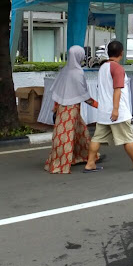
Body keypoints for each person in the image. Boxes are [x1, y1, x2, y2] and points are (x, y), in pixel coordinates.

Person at [84, 41, 133, 172]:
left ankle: (90, 163)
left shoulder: (103, 67)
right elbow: (117, 90)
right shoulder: (117, 68)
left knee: (97, 138)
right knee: (127, 138)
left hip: (103, 111)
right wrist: (115, 110)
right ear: (122, 53)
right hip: (117, 112)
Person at [45, 46, 99, 174]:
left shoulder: (65, 70)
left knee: (80, 133)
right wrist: (98, 105)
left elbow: (58, 89)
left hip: (61, 108)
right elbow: (84, 94)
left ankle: (87, 156)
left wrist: (56, 106)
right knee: (66, 137)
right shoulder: (78, 72)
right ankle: (61, 164)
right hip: (72, 109)